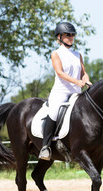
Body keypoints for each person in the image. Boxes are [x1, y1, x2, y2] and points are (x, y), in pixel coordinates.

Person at [39, 22, 92, 160]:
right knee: (55, 112)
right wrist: (77, 82)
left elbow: (83, 72)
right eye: (68, 35)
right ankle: (45, 147)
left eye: (72, 35)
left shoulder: (77, 54)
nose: (71, 37)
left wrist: (86, 80)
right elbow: (60, 73)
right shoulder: (56, 54)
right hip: (61, 92)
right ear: (59, 37)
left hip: (76, 92)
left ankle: (94, 146)